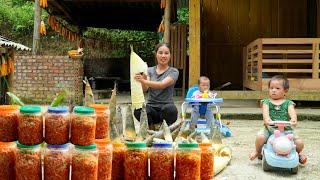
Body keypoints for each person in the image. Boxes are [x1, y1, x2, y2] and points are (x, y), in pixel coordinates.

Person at [249, 75, 307, 164]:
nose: (273, 90)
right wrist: (267, 120)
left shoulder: (288, 103)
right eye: (271, 88)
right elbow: (265, 114)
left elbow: (292, 113)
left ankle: (298, 153)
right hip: (270, 128)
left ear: (285, 91)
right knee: (260, 137)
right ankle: (257, 151)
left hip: (286, 129)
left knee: (299, 143)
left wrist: (293, 119)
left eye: (277, 88)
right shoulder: (266, 102)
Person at [133, 42, 179, 129]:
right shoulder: (149, 70)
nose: (163, 56)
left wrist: (143, 80)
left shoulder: (174, 71)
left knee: (171, 110)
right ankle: (151, 127)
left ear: (170, 55)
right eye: (160, 53)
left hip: (166, 108)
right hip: (151, 108)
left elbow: (162, 85)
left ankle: (163, 127)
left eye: (166, 53)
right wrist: (142, 79)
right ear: (156, 54)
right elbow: (145, 89)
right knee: (138, 110)